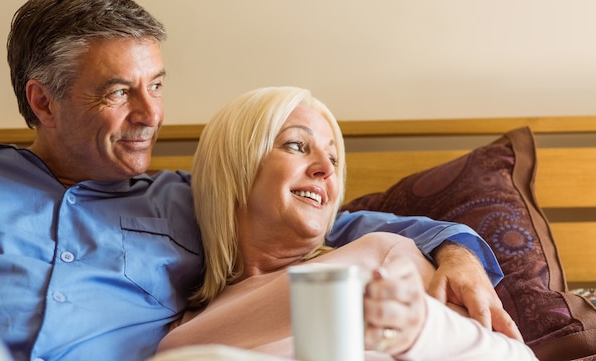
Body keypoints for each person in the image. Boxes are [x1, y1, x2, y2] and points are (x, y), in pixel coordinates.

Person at [0, 0, 514, 361]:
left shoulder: (186, 200)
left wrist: (457, 250)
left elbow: (326, 220)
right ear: (43, 101)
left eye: (156, 86)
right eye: (119, 91)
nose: (150, 114)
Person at [155, 87, 537, 360]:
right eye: (295, 145)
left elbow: (515, 357)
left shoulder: (379, 258)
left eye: (334, 160)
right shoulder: (179, 329)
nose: (325, 170)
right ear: (233, 167)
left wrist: (420, 327)